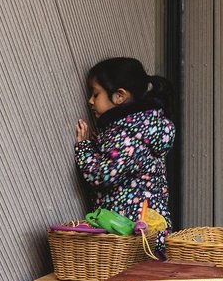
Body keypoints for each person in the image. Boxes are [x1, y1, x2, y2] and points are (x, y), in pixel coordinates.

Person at [75, 57, 175, 251]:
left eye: (96, 94)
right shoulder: (140, 129)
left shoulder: (127, 135)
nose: (90, 101)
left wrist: (84, 147)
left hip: (132, 232)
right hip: (146, 231)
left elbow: (101, 176)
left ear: (119, 96)